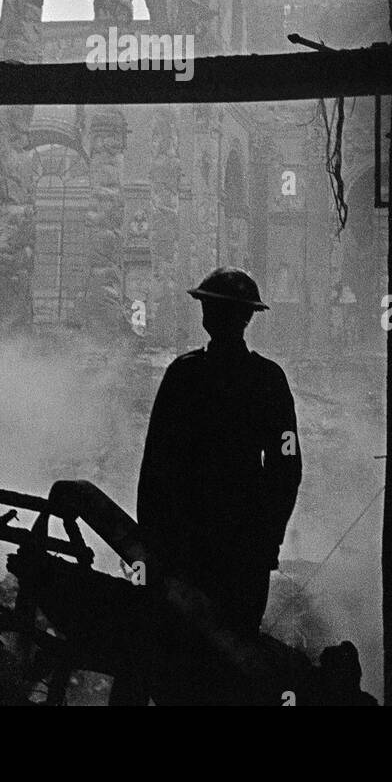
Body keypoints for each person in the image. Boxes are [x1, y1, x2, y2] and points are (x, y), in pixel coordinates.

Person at [137, 268, 302, 636]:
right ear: (249, 317)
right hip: (242, 545)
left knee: (183, 650)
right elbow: (286, 465)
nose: (210, 315)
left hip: (188, 540)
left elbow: (156, 463)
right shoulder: (268, 379)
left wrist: (150, 539)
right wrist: (268, 536)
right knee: (233, 650)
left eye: (213, 307)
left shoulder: (184, 374)